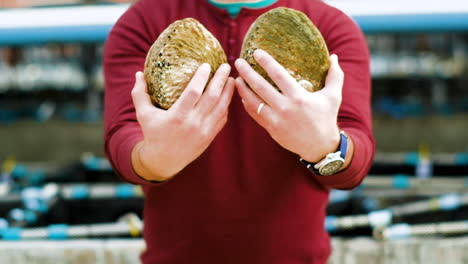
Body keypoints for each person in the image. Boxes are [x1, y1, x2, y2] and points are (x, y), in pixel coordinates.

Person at [103, 0, 375, 263]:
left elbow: (356, 157)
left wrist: (325, 146)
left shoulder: (332, 25)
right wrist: (157, 158)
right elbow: (122, 138)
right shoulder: (142, 21)